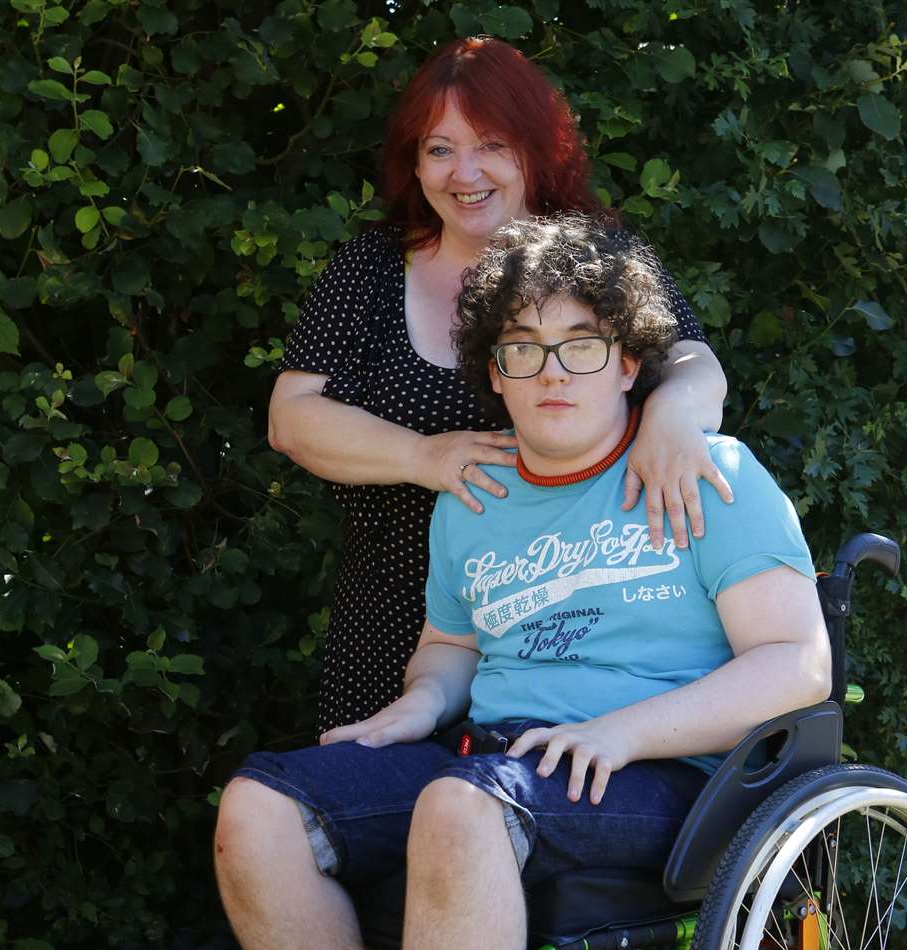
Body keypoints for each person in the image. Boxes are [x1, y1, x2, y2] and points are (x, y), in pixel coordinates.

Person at [215, 216, 831, 950]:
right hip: (496, 762)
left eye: (583, 344)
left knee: (463, 802)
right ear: (489, 367)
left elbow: (796, 664)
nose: (553, 373)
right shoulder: (474, 498)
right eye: (524, 348)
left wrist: (626, 729)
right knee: (259, 806)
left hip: (664, 783)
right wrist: (409, 710)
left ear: (632, 358)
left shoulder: (710, 471)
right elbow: (452, 653)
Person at [267, 35, 731, 738]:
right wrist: (427, 457)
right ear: (413, 162)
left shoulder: (596, 257)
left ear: (535, 150)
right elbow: (291, 416)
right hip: (397, 621)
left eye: (491, 144)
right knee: (368, 826)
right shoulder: (367, 269)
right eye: (439, 148)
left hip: (577, 629)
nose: (465, 172)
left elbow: (700, 369)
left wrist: (669, 412)